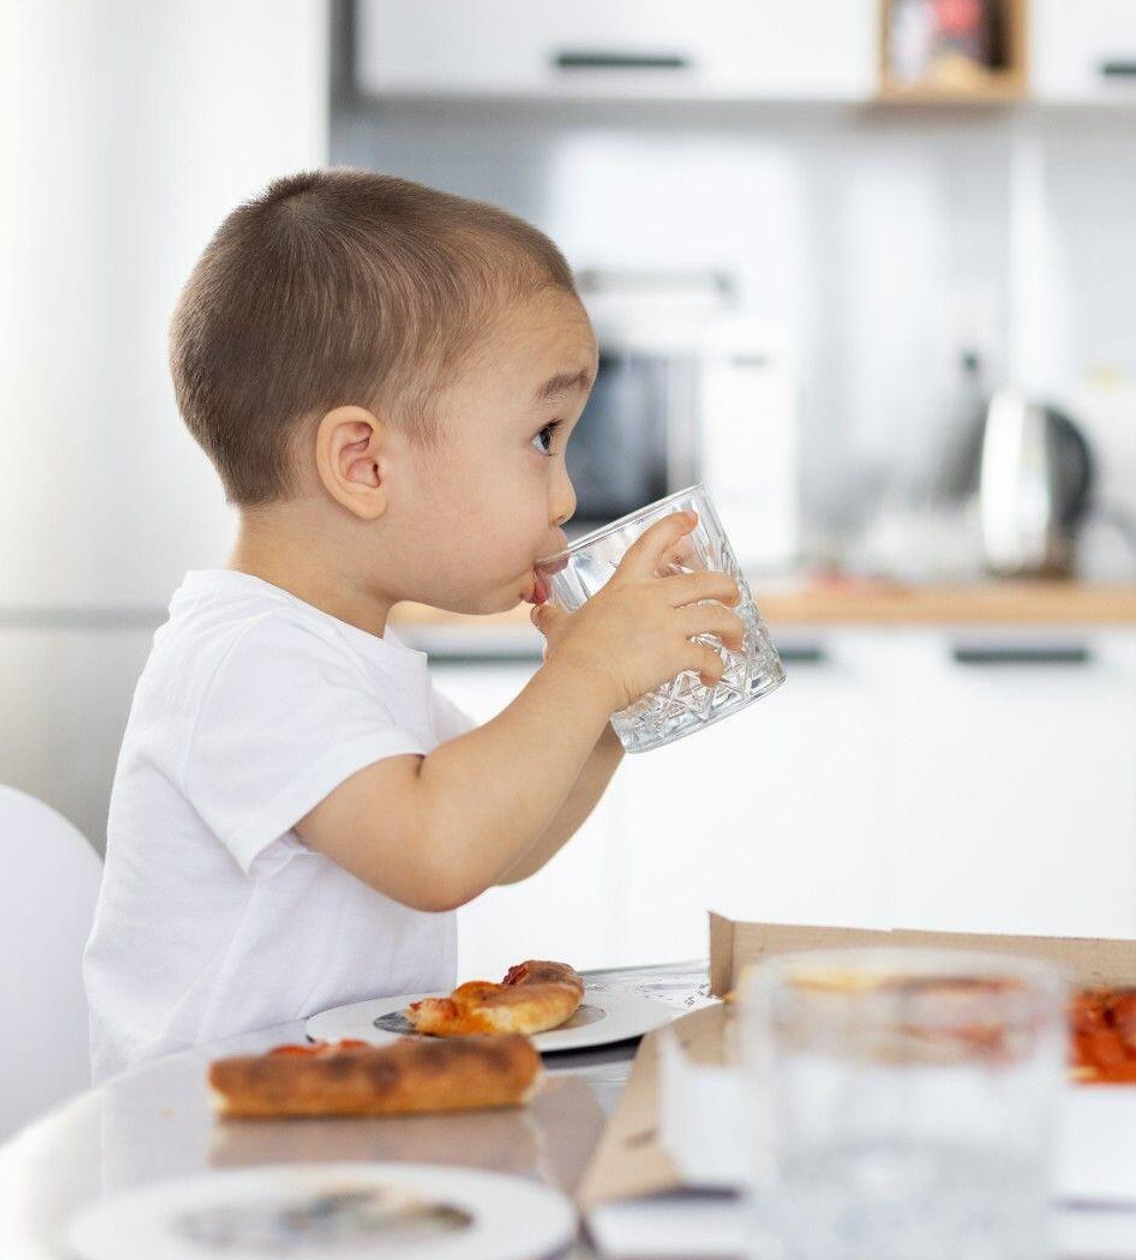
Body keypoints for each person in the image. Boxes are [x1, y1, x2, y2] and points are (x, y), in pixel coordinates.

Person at [82, 169, 742, 1079]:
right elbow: (438, 852)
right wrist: (584, 674)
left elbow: (506, 841)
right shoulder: (244, 660)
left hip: (322, 1129)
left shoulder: (348, 656)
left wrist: (610, 716)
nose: (568, 493)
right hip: (206, 1153)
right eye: (542, 437)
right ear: (364, 462)